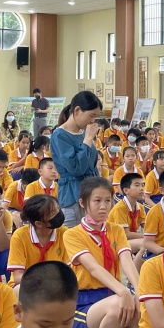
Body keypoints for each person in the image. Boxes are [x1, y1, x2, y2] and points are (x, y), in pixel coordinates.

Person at [63, 177, 139, 328]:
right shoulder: (73, 234)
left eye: (107, 200)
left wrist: (139, 291)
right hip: (83, 302)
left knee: (140, 305)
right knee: (118, 304)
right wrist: (123, 291)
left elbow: (127, 261)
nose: (103, 206)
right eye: (97, 201)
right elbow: (93, 268)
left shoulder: (116, 230)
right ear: (83, 203)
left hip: (112, 294)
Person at [50, 91, 102, 227]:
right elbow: (76, 168)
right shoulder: (60, 135)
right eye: (91, 115)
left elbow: (92, 164)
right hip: (73, 195)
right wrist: (88, 139)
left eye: (95, 117)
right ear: (77, 110)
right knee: (74, 236)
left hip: (91, 193)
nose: (93, 121)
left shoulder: (84, 133)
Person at [7, 195, 67, 290]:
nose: (58, 214)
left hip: (56, 284)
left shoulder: (64, 233)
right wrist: (44, 284)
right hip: (27, 285)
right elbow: (18, 277)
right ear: (39, 223)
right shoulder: (20, 236)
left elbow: (68, 270)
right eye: (53, 213)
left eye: (58, 209)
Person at [107, 172, 147, 256]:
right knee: (146, 243)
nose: (141, 188)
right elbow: (126, 234)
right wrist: (147, 236)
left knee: (153, 241)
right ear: (126, 190)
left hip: (127, 241)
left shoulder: (140, 206)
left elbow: (147, 226)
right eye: (137, 185)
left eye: (142, 185)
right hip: (114, 242)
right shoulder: (120, 208)